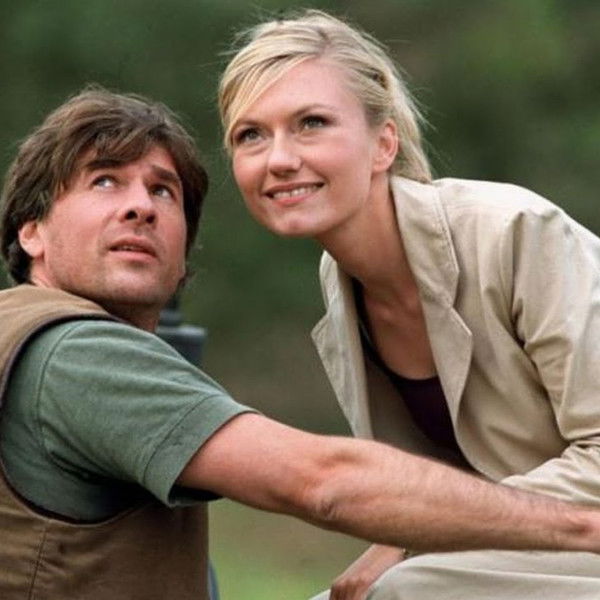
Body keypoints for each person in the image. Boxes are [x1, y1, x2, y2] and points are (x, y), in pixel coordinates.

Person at [1, 90, 599, 600]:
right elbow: (322, 482)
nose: (140, 207)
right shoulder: (74, 354)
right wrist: (582, 526)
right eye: (104, 181)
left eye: (164, 192)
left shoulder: (22, 332)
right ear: (32, 231)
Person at [218, 8, 600, 600]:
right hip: (524, 554)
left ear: (384, 143)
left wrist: (417, 537)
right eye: (251, 135)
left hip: (574, 539)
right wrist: (406, 534)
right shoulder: (340, 286)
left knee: (407, 590)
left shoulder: (517, 232)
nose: (279, 159)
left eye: (311, 123)